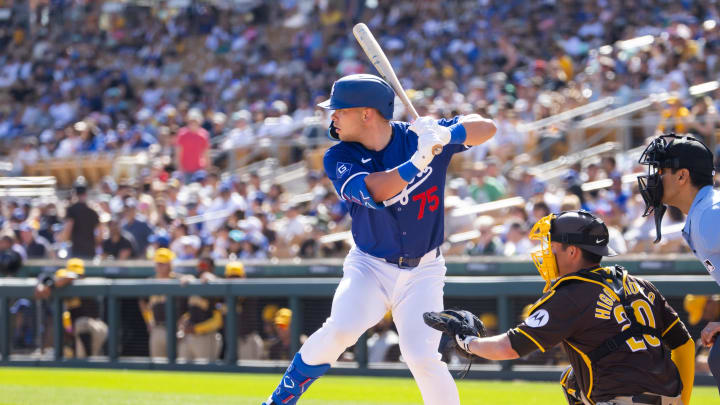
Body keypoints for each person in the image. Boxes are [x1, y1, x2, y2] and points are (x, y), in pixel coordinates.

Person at [262, 73, 496, 405]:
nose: (333, 117)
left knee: (422, 357)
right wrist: (419, 160)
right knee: (341, 328)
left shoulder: (422, 136)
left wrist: (448, 133)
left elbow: (487, 127)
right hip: (370, 266)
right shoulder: (339, 156)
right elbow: (375, 189)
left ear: (366, 113)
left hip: (424, 270)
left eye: (340, 110)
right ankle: (279, 400)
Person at [434, 210, 694, 405]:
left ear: (572, 252)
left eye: (552, 246)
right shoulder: (640, 284)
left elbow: (509, 348)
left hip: (622, 400)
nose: (546, 253)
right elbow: (685, 344)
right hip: (668, 398)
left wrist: (467, 342)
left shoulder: (572, 295)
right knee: (573, 381)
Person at [637, 133, 720, 393]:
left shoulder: (710, 214)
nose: (654, 178)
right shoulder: (705, 211)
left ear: (682, 176)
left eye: (661, 170)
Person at [34, 258, 108, 358]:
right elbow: (46, 276)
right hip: (72, 329)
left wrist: (53, 284)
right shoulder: (64, 284)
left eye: (79, 275)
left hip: (93, 327)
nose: (78, 277)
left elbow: (70, 277)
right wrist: (44, 284)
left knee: (82, 325)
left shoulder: (87, 285)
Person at [62, 176, 99, 258]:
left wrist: (64, 240)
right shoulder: (92, 211)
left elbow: (68, 229)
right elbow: (99, 234)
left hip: (77, 251)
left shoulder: (71, 210)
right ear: (86, 193)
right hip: (90, 251)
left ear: (74, 193)